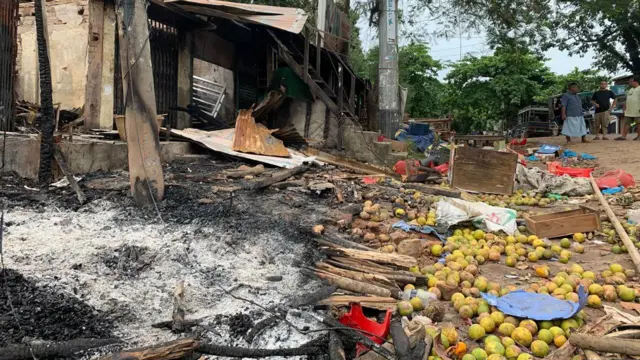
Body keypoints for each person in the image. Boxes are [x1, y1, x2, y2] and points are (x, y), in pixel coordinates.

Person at [616, 76, 640, 141]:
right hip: (629, 110)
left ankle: (639, 137)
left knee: (638, 123)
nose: (629, 83)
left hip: (637, 110)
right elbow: (627, 99)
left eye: (630, 82)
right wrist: (624, 106)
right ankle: (623, 136)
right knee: (626, 123)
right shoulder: (630, 90)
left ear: (635, 82)